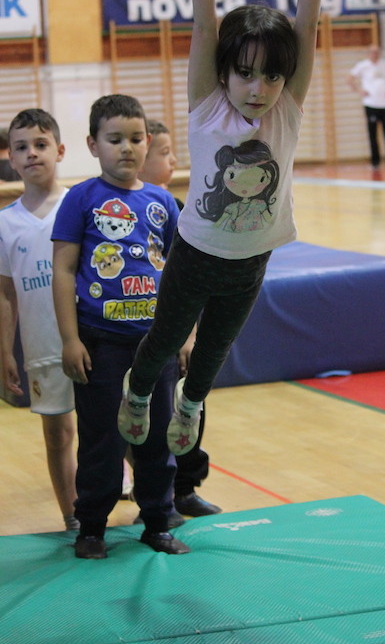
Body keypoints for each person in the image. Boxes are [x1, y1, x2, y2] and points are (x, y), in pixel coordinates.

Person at [117, 0, 335, 455]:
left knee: (213, 351)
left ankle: (191, 405)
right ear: (224, 73)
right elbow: (203, 25)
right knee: (165, 340)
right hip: (195, 254)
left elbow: (306, 26)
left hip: (253, 259)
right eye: (245, 74)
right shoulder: (207, 105)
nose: (259, 89)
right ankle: (138, 389)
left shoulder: (287, 109)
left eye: (272, 76)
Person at [51, 93, 190, 559]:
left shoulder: (162, 202)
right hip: (101, 344)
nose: (126, 148)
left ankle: (158, 521)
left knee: (156, 437)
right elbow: (63, 270)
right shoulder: (81, 199)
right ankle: (92, 527)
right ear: (93, 144)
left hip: (156, 345)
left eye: (135, 138)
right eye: (115, 139)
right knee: (102, 440)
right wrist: (70, 339)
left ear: (148, 141)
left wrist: (186, 335)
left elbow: (181, 274)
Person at [138, 119, 222, 518]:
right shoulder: (124, 211)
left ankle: (185, 487)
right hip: (138, 333)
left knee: (188, 407)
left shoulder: (179, 211)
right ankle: (152, 492)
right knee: (144, 417)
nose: (173, 161)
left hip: (177, 332)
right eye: (164, 153)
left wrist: (189, 337)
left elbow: (192, 281)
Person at [0, 109, 78, 532]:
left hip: (88, 340)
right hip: (42, 345)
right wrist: (5, 352)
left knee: (115, 427)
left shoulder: (78, 206)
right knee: (57, 434)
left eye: (41, 144)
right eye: (22, 147)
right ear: (10, 158)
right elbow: (5, 294)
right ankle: (72, 516)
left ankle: (144, 502)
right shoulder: (5, 223)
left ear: (59, 151)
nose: (32, 153)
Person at [348, 44, 385, 171]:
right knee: (373, 135)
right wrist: (359, 91)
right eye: (373, 52)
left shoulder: (384, 64)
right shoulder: (363, 66)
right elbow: (350, 79)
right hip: (371, 104)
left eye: (377, 52)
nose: (375, 54)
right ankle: (375, 162)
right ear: (369, 53)